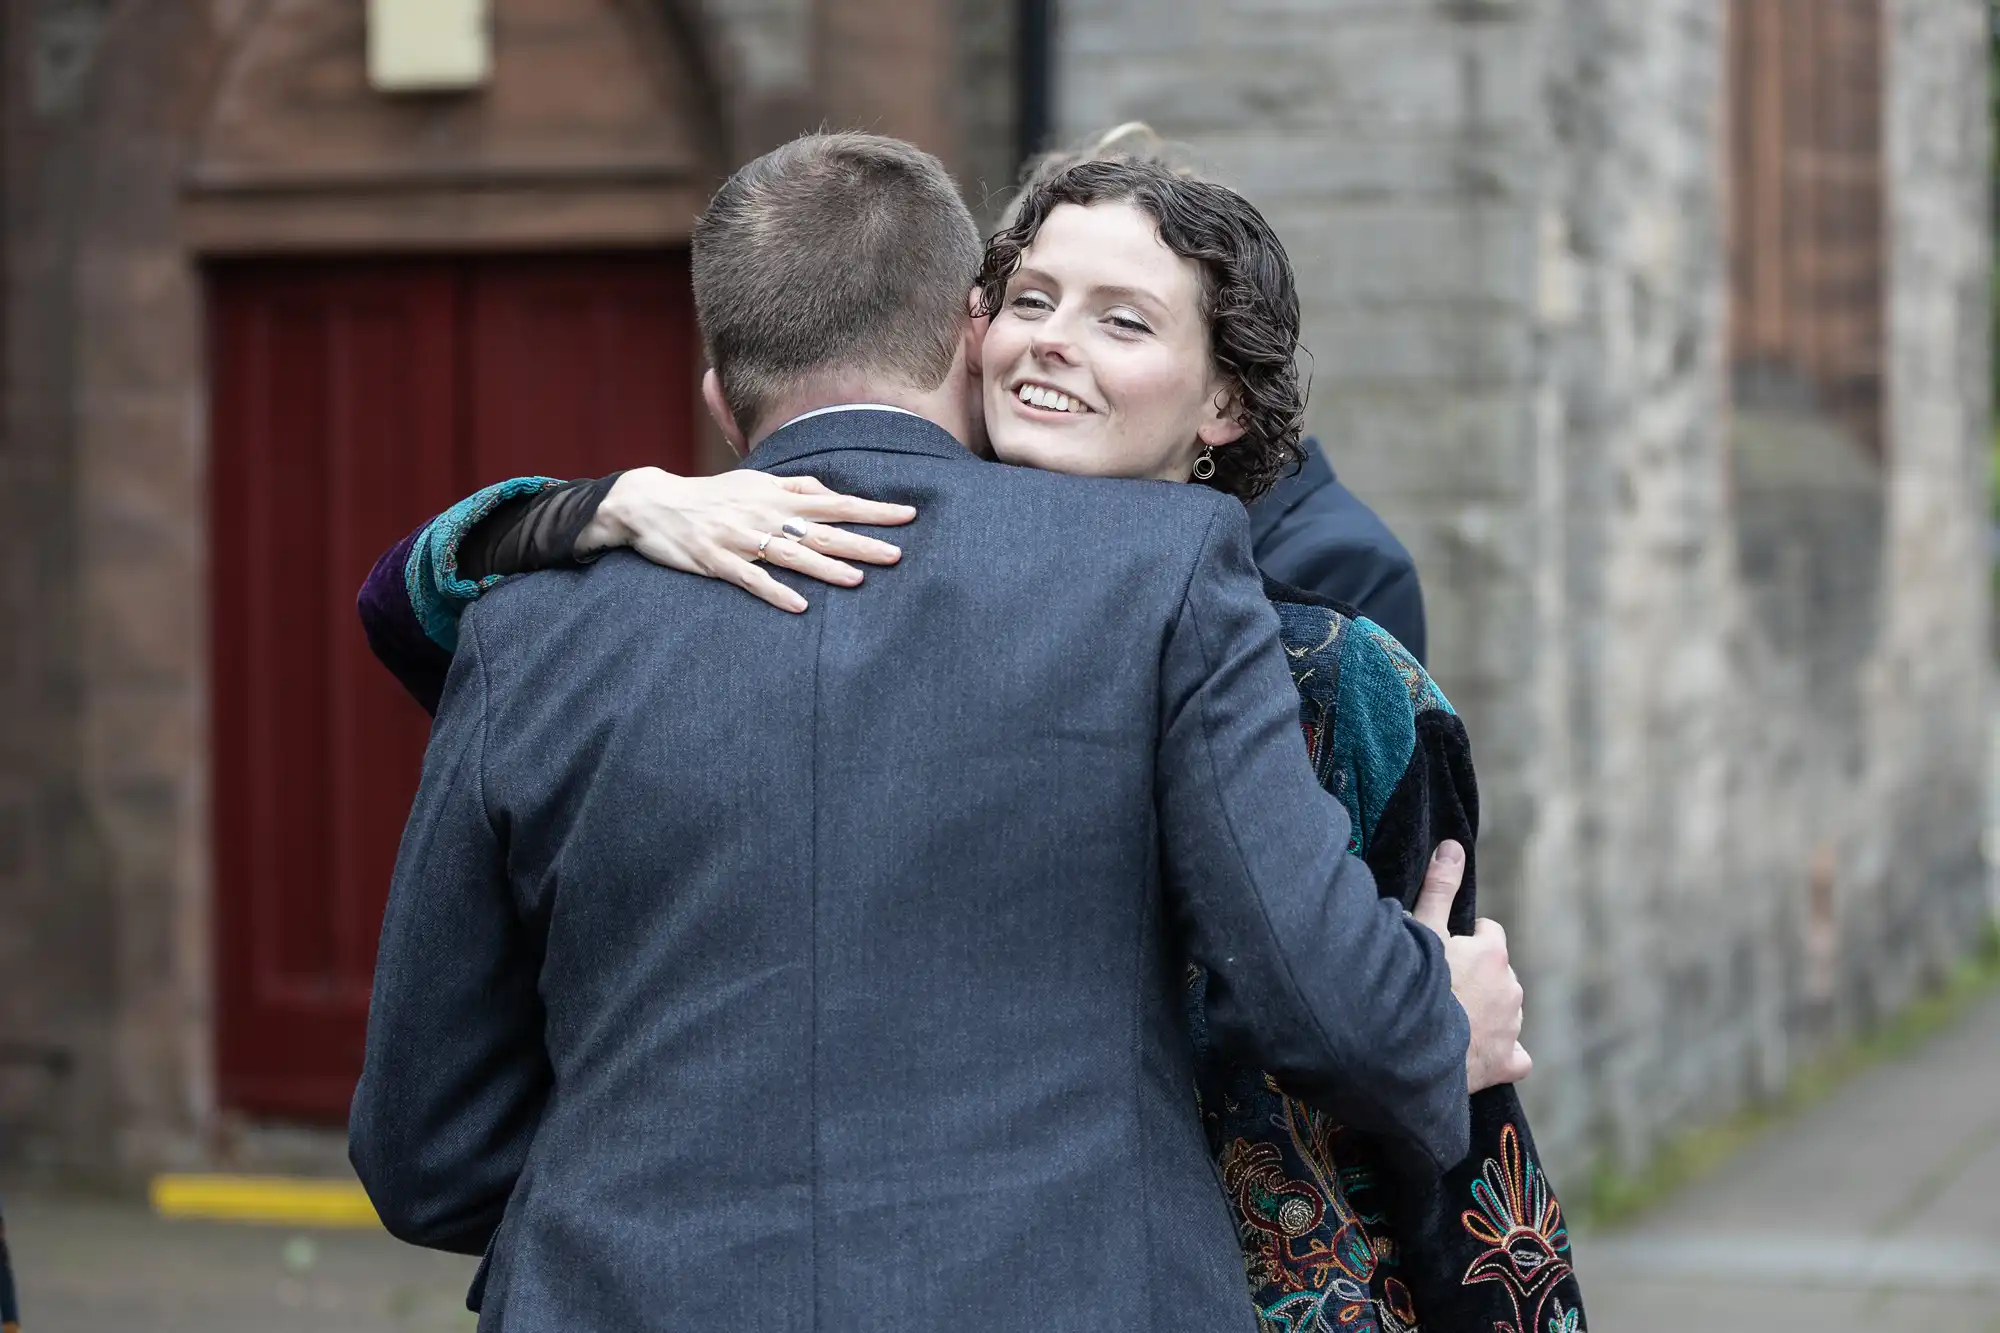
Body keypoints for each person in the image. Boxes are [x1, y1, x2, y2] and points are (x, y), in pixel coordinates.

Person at [351, 140, 1578, 1331]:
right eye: (1034, 300)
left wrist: (636, 1222)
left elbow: (425, 1153)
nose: (1054, 342)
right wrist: (1436, 1022)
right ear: (968, 331)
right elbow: (1336, 1010)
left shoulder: (528, 634)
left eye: (1124, 320)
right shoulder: (1165, 577)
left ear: (719, 403)